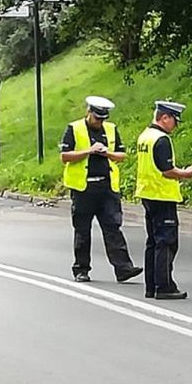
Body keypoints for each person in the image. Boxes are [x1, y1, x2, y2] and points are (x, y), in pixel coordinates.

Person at [59, 96, 142, 284]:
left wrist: (107, 153)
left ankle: (123, 268)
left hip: (107, 188)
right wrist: (89, 150)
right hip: (83, 189)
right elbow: (64, 156)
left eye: (103, 118)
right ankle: (81, 270)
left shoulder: (111, 129)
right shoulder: (74, 128)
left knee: (113, 228)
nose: (100, 122)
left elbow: (121, 155)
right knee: (82, 230)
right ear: (88, 113)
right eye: (97, 118)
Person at [135, 100, 192, 300]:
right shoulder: (161, 139)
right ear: (164, 118)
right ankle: (164, 286)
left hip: (147, 194)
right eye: (174, 120)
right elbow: (167, 170)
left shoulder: (145, 136)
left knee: (152, 241)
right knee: (166, 242)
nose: (175, 125)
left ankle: (151, 286)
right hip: (162, 196)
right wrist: (186, 173)